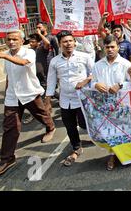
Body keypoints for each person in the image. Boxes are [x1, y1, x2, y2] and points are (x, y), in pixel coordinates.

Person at [0, 31, 56, 177]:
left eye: (15, 39)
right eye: (9, 39)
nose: (11, 42)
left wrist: (3, 55)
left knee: (41, 114)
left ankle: (50, 127)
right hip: (13, 96)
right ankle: (7, 159)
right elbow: (9, 76)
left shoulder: (29, 52)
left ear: (21, 40)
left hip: (29, 92)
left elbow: (23, 63)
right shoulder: (6, 54)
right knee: (10, 127)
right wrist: (7, 92)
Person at [45, 31, 94, 167]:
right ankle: (76, 148)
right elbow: (51, 81)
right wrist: (48, 101)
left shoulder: (85, 57)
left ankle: (96, 137)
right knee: (70, 126)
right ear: (60, 45)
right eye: (64, 42)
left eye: (70, 41)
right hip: (65, 100)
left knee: (85, 124)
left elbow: (95, 73)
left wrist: (85, 81)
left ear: (75, 42)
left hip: (83, 99)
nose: (68, 44)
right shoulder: (55, 62)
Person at [91, 34, 131, 171]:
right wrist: (96, 85)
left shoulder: (126, 64)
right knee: (110, 132)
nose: (110, 50)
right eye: (107, 47)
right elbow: (92, 82)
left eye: (113, 47)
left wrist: (120, 85)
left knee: (124, 131)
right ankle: (112, 155)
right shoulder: (97, 66)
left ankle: (126, 155)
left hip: (123, 105)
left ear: (118, 47)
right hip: (104, 105)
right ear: (103, 48)